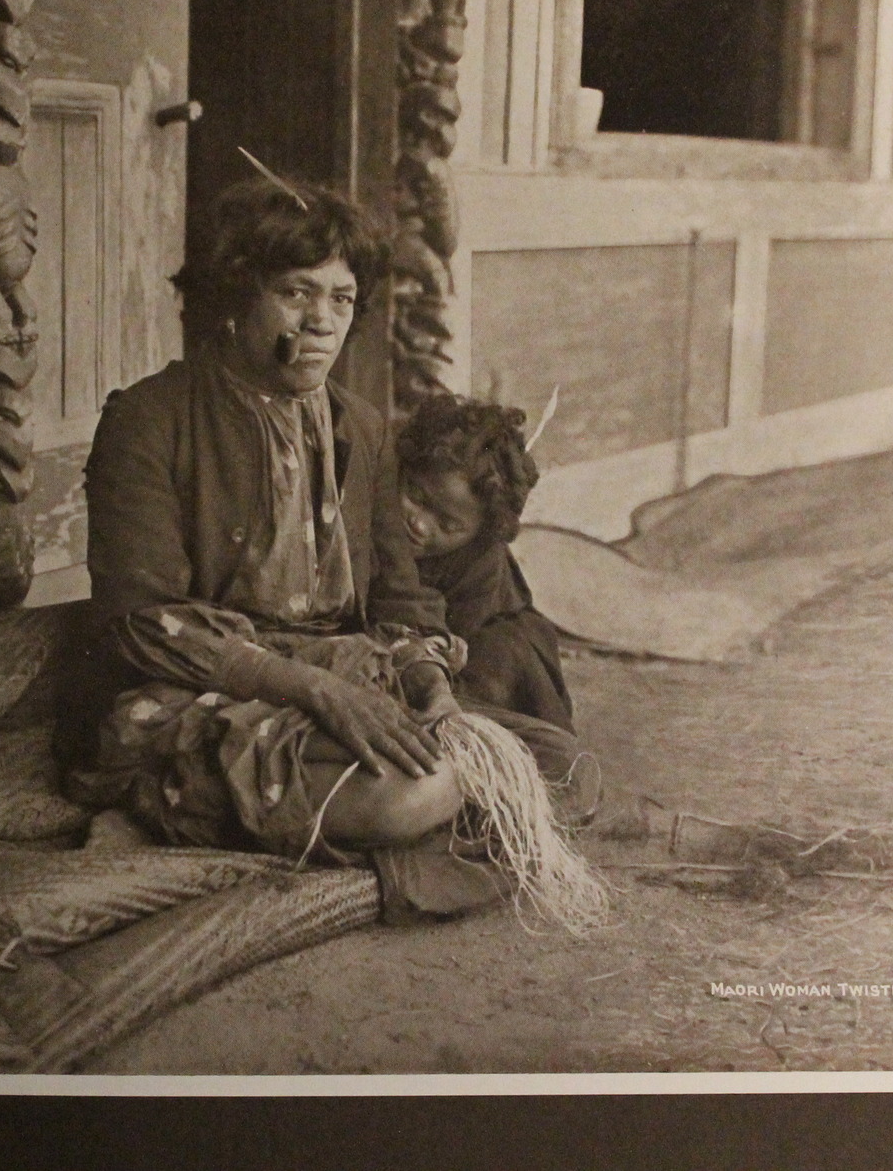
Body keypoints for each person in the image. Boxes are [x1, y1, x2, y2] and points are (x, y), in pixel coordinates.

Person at [58, 177, 596, 911]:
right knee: (418, 794)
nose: (320, 323)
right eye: (295, 292)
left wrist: (429, 687)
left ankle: (363, 794)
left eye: (341, 300)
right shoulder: (150, 420)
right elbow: (143, 622)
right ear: (238, 293)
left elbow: (399, 597)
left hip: (343, 676)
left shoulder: (362, 429)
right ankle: (176, 800)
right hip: (196, 691)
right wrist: (315, 689)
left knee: (560, 765)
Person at [397, 393, 575, 733]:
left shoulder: (481, 564)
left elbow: (459, 638)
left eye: (447, 526)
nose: (419, 524)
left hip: (478, 645)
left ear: (479, 534)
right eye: (416, 496)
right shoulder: (377, 513)